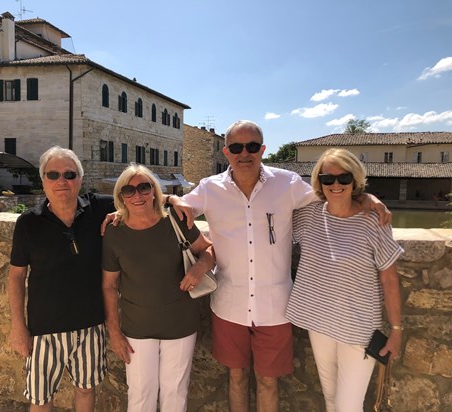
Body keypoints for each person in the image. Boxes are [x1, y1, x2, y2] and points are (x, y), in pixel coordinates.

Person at [165, 120, 391, 412]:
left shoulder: (287, 184)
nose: (244, 153)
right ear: (226, 151)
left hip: (276, 307)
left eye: (252, 147)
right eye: (236, 147)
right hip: (228, 303)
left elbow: (333, 193)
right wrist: (170, 197)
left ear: (263, 149)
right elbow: (176, 207)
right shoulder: (210, 188)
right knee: (236, 376)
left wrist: (368, 198)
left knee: (269, 382)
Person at [285, 148, 403, 412]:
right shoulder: (308, 214)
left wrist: (396, 330)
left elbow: (389, 277)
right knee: (330, 398)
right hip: (320, 322)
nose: (336, 185)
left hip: (359, 329)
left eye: (344, 178)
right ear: (319, 182)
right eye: (328, 179)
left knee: (348, 406)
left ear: (355, 180)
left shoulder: (374, 220)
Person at [8, 146, 115, 412]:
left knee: (86, 389)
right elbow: (16, 277)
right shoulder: (28, 223)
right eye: (53, 174)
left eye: (69, 174)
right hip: (44, 329)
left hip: (90, 325)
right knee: (40, 398)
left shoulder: (99, 208)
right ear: (42, 180)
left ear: (80, 178)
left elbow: (143, 195)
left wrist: (174, 201)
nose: (61, 181)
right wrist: (18, 327)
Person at [102, 164, 215, 412]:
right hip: (136, 327)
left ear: (154, 190)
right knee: (140, 396)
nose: (137, 195)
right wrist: (114, 333)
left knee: (175, 394)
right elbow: (109, 286)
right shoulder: (114, 231)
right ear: (120, 197)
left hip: (180, 323)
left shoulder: (175, 219)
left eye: (144, 187)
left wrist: (198, 269)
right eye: (128, 191)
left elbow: (208, 250)